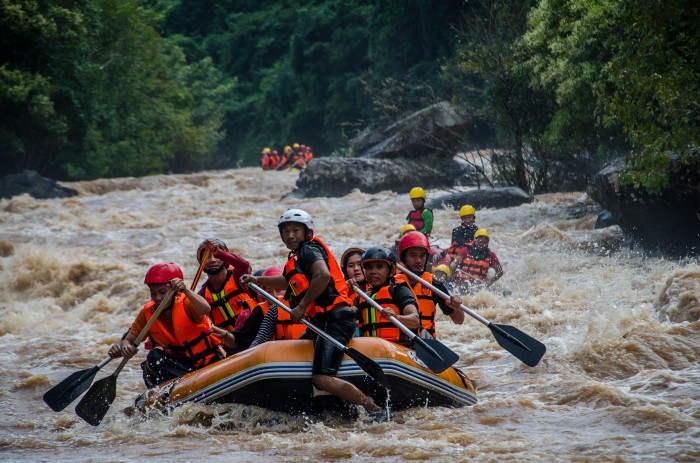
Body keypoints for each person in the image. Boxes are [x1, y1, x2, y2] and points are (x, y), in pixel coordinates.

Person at [241, 209, 388, 421]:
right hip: (322, 322)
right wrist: (257, 281)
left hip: (337, 319)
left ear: (306, 232)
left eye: (295, 230)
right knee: (299, 359)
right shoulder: (297, 257)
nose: (290, 235)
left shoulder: (309, 250)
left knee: (322, 377)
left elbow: (322, 275)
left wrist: (301, 306)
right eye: (286, 232)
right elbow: (286, 282)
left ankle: (374, 410)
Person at [108, 262, 225, 388]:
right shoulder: (148, 313)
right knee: (153, 357)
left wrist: (185, 289)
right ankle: (176, 389)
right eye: (153, 293)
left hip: (208, 362)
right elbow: (129, 340)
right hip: (182, 367)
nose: (157, 298)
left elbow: (205, 309)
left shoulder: (186, 302)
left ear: (174, 290)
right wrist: (125, 347)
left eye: (162, 292)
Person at [196, 238, 263, 355]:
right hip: (230, 346)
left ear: (224, 258)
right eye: (207, 257)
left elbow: (244, 265)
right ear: (201, 264)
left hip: (255, 335)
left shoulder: (238, 277)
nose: (212, 260)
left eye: (216, 256)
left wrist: (220, 253)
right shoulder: (200, 297)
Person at [394, 231, 465, 338]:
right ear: (404, 257)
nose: (418, 260)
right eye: (413, 255)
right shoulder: (392, 283)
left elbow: (459, 320)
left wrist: (457, 307)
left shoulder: (434, 285)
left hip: (425, 342)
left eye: (422, 256)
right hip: (397, 343)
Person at [355, 247, 419, 346]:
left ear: (390, 271)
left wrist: (396, 318)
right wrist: (348, 292)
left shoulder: (399, 290)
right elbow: (347, 320)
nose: (373, 271)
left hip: (399, 349)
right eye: (369, 267)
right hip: (371, 350)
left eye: (379, 267)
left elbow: (415, 320)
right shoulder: (362, 297)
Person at [249, 266, 306, 347]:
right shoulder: (272, 310)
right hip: (284, 355)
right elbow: (260, 341)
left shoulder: (319, 308)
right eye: (269, 291)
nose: (275, 295)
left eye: (278, 290)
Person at [449, 228, 504, 293]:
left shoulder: (491, 255)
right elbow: (454, 263)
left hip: (478, 286)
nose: (481, 244)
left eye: (484, 242)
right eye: (479, 241)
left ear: (487, 243)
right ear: (475, 240)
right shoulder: (466, 250)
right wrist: (453, 265)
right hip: (462, 283)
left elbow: (500, 271)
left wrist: (491, 281)